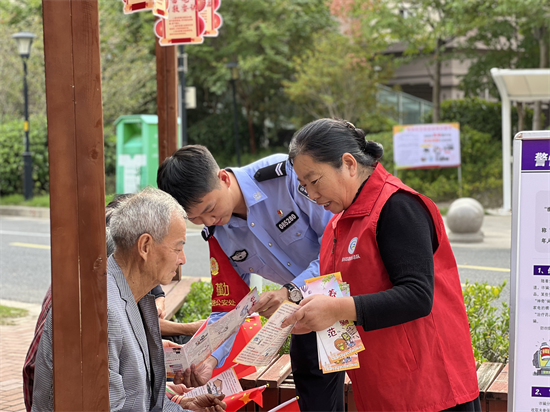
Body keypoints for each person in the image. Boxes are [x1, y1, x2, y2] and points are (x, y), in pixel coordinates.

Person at [281, 118, 481, 412]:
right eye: (303, 186)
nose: (311, 195)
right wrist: (312, 318)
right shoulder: (338, 223)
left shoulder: (397, 206)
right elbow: (341, 298)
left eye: (314, 180)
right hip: (381, 388)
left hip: (431, 390)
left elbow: (417, 296)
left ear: (349, 164)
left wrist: (336, 309)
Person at [157, 145, 345, 412]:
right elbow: (230, 306)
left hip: (353, 301)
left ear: (222, 178)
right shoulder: (216, 233)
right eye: (195, 218)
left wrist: (290, 291)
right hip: (306, 321)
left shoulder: (286, 177)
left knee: (375, 395)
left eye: (210, 208)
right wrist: (210, 358)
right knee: (317, 402)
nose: (209, 219)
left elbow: (337, 244)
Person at [31, 188, 226, 412]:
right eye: (178, 248)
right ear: (145, 246)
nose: (183, 259)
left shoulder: (133, 295)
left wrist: (182, 407)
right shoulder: (98, 311)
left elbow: (137, 399)